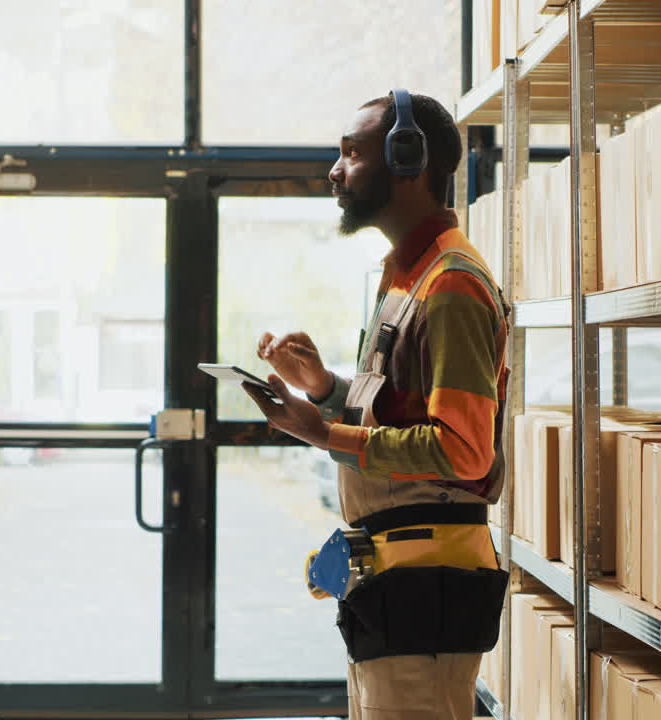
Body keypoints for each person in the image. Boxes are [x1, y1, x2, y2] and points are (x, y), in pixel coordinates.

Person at [242, 90, 510, 720]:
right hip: (397, 571)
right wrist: (325, 389)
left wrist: (321, 433)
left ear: (408, 160)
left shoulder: (451, 285)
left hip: (426, 579)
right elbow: (404, 413)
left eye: (352, 153)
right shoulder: (406, 276)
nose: (336, 170)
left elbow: (464, 452)